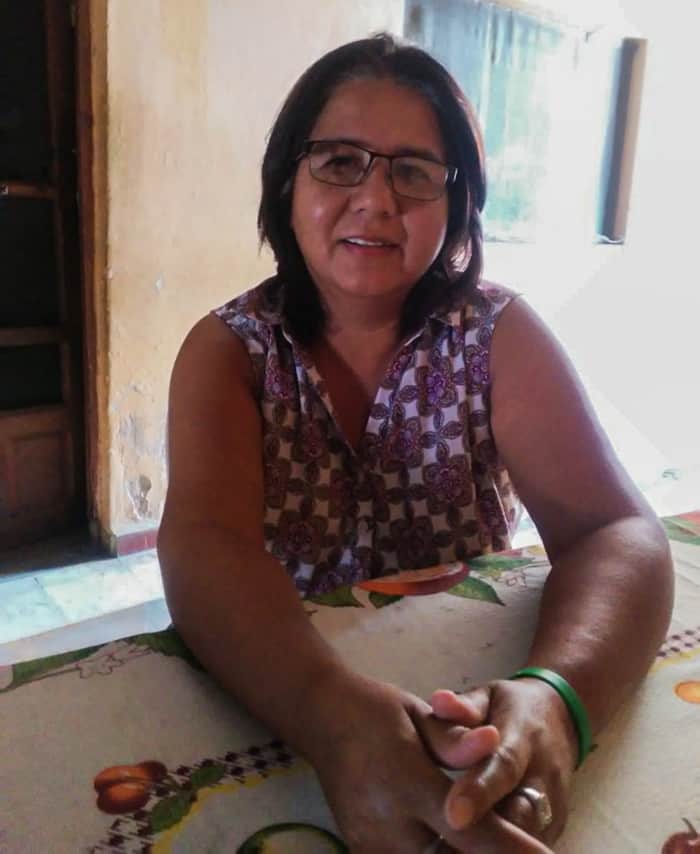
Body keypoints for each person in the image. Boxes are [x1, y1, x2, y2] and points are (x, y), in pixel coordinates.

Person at [158, 33, 674, 852]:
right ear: (287, 182)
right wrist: (331, 716)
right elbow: (204, 551)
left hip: (474, 698)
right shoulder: (230, 352)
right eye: (338, 162)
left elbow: (617, 532)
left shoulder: (496, 335)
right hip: (283, 691)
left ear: (457, 199)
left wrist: (556, 697)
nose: (376, 198)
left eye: (414, 170)